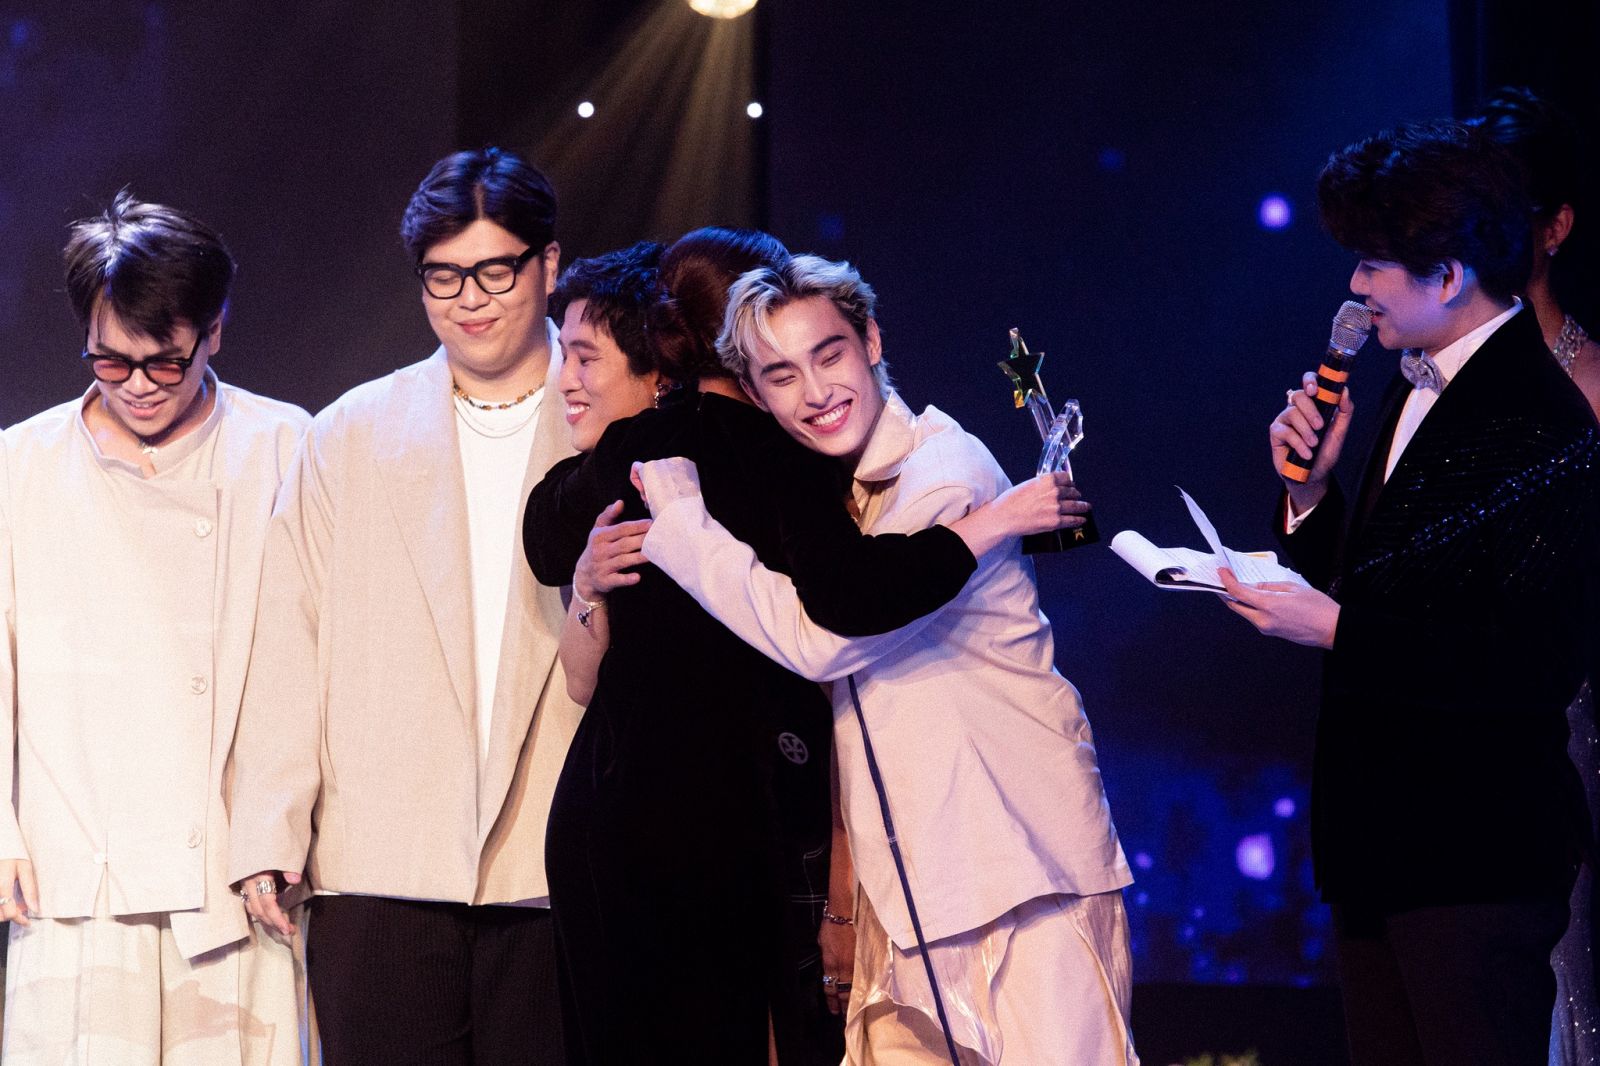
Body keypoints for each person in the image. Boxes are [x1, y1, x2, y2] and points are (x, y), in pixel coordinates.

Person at [525, 233, 1080, 1064]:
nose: (810, 392)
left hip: (611, 823)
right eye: (781, 371)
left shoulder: (646, 451)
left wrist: (637, 539)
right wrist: (996, 522)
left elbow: (544, 533)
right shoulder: (776, 457)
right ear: (744, 357)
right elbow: (838, 615)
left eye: (823, 357)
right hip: (731, 834)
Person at [1223, 120, 1600, 1066]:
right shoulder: (1411, 385)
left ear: (1450, 274)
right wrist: (1311, 498)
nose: (1355, 285)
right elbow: (1388, 585)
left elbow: (1531, 664)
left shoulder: (1543, 420)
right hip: (1381, 844)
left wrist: (1339, 630)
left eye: (1373, 263)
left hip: (1473, 854)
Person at [227, 147, 581, 1063]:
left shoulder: (605, 422)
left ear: (548, 264)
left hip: (561, 861)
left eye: (495, 270)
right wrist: (269, 825)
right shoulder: (354, 431)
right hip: (383, 858)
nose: (470, 299)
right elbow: (288, 632)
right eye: (442, 275)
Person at [0, 192, 309, 1063]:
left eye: (165, 362)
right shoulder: (22, 464)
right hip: (74, 871)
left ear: (214, 332)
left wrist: (278, 827)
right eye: (111, 360)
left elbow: (305, 664)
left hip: (231, 869)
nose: (137, 385)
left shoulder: (283, 446)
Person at [1475, 85, 1600, 1066]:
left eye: (1502, 206)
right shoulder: (1426, 381)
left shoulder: (1592, 380)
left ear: (1554, 226)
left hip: (1569, 711)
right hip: (1454, 717)